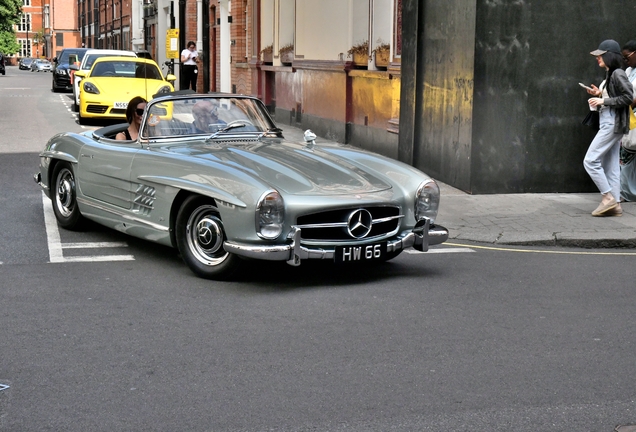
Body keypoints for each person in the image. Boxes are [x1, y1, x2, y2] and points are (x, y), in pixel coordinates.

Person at [584, 39, 633, 216]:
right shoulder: (611, 74)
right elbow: (616, 96)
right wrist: (599, 94)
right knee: (611, 166)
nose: (597, 58)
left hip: (612, 123)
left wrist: (603, 100)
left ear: (609, 55)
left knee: (590, 161)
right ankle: (616, 205)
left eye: (600, 55)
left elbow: (628, 97)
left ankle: (608, 198)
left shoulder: (617, 73)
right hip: (611, 122)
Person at [620, 40, 636, 202]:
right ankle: (625, 192)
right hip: (629, 118)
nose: (625, 60)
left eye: (627, 57)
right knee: (626, 154)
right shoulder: (629, 71)